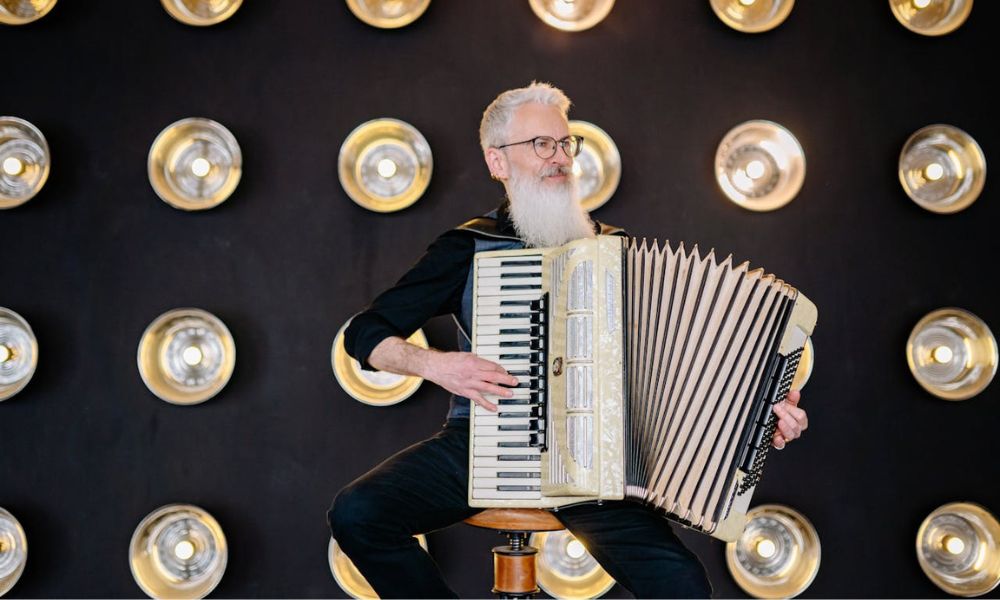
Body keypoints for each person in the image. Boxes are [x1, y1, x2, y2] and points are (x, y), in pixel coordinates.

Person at [327, 82, 809, 598]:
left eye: (564, 143)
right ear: (498, 161)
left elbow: (683, 368)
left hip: (597, 464)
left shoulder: (617, 251)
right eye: (540, 144)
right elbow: (364, 334)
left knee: (685, 587)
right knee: (358, 513)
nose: (559, 158)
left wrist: (760, 412)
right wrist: (439, 366)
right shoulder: (470, 247)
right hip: (489, 444)